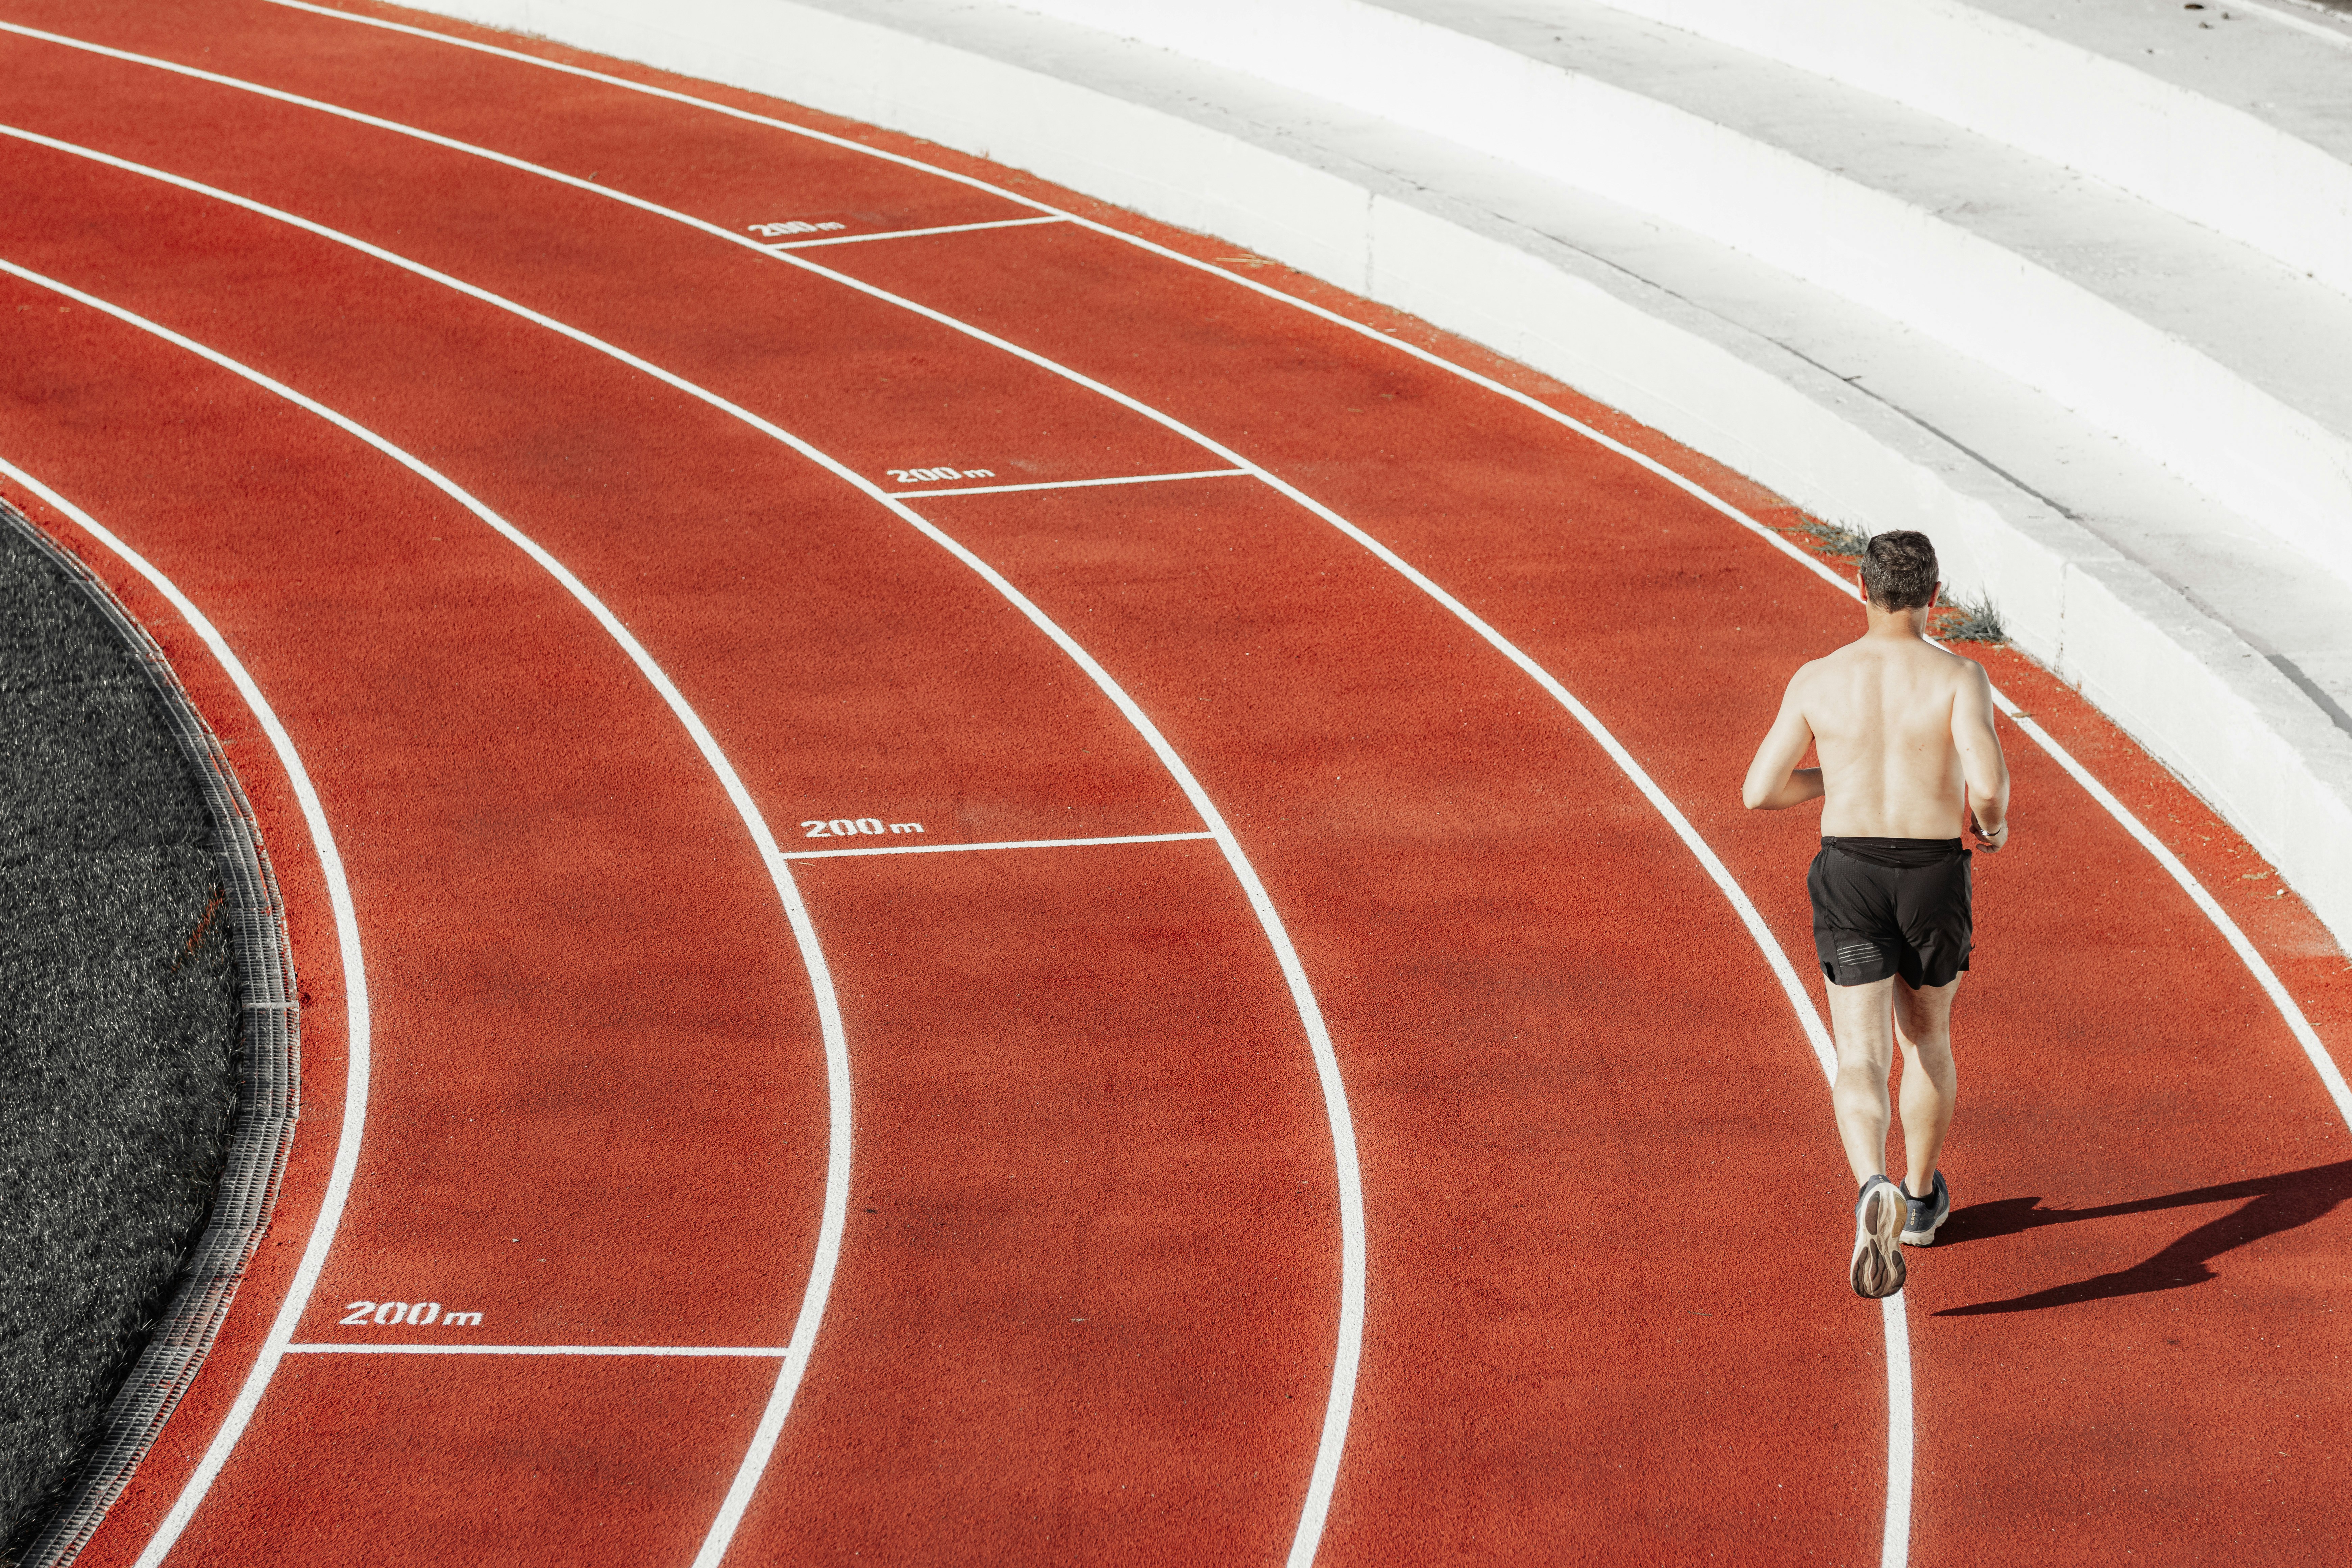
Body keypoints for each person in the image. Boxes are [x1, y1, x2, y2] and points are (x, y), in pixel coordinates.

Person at [1742, 531, 2010, 1299]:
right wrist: (1990, 829)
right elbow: (1987, 786)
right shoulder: (1961, 676)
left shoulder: (1819, 678)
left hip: (1851, 872)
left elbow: (1760, 791)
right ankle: (1921, 1202)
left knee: (1859, 1054)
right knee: (1928, 1037)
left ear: (1861, 590)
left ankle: (1872, 1184)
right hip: (1931, 876)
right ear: (1934, 595)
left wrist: (1844, 775)